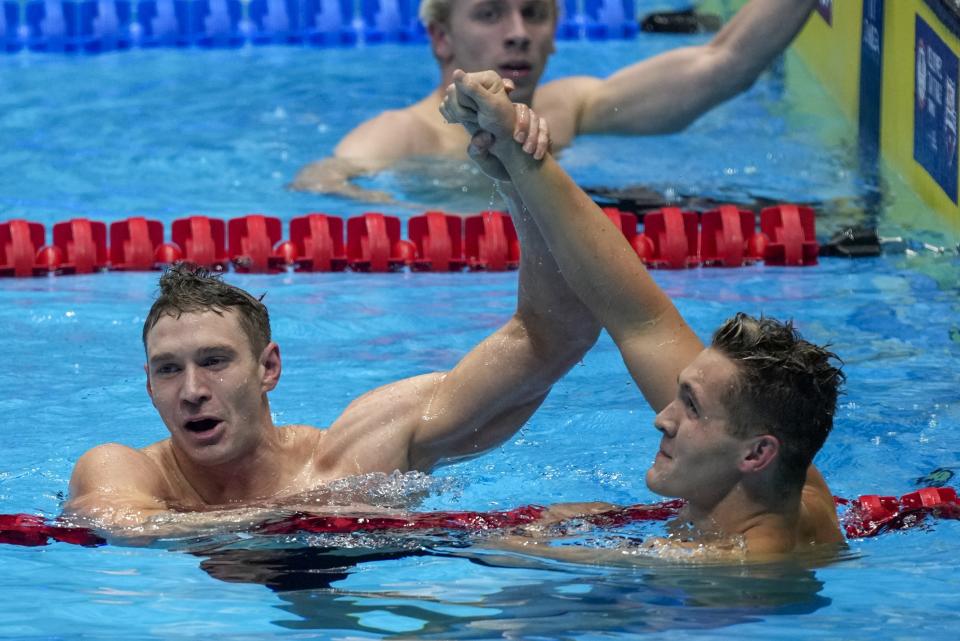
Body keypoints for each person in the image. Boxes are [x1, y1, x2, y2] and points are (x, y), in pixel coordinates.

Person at [63, 105, 602, 535]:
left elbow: (551, 338)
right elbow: (123, 526)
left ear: (268, 368)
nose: (193, 390)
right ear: (149, 385)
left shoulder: (360, 451)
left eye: (215, 360)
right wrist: (308, 515)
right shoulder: (124, 469)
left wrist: (521, 177)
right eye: (168, 369)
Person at [440, 69, 845, 559]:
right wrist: (516, 155)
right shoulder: (798, 492)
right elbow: (637, 316)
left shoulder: (721, 568)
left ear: (757, 453)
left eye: (691, 406)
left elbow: (495, 551)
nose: (661, 418)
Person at [290, 0, 820, 200]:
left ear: (555, 32)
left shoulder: (572, 109)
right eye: (490, 14)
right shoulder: (402, 134)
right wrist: (390, 209)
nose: (518, 33)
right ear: (441, 38)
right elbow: (318, 181)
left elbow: (724, 66)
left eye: (535, 13)